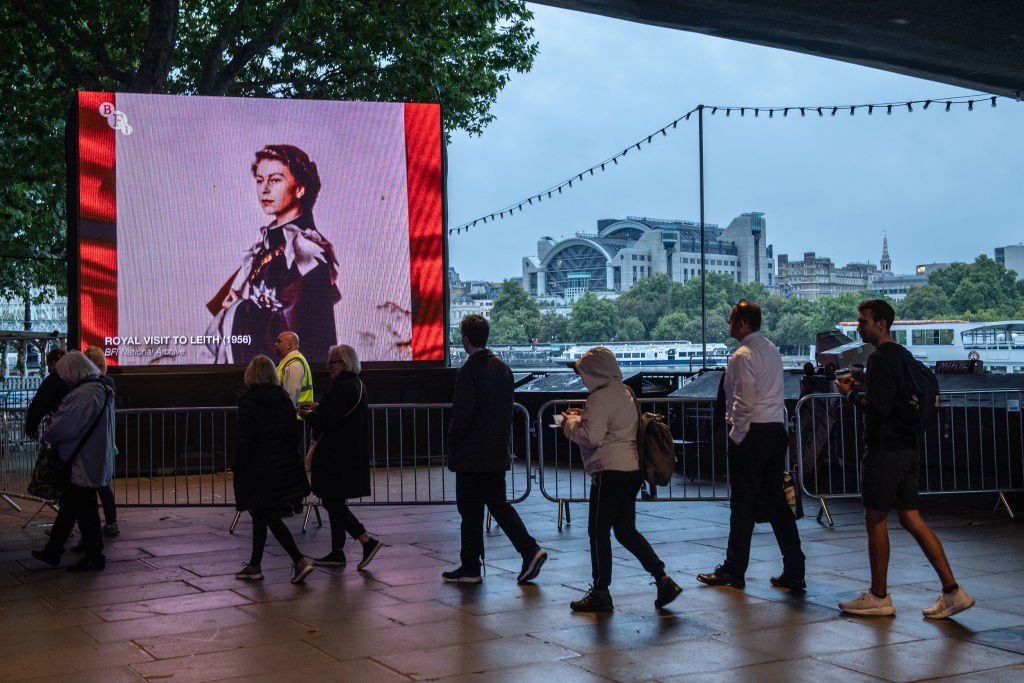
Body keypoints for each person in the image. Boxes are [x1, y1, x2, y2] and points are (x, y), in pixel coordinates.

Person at [835, 299, 974, 618]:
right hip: (907, 448)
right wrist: (863, 386)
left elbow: (878, 408)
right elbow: (894, 398)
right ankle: (952, 591)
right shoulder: (904, 357)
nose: (859, 327)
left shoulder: (880, 359)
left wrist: (850, 394)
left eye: (864, 321)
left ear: (881, 324)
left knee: (875, 518)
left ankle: (879, 596)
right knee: (912, 518)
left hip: (884, 451)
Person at [561, 346, 682, 612]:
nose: (582, 378)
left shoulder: (599, 398)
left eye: (584, 372)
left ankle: (601, 590)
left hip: (608, 470)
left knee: (597, 531)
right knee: (626, 530)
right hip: (630, 469)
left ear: (594, 372)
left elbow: (591, 437)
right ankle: (662, 578)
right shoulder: (625, 392)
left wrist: (568, 424)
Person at [697, 300, 805, 592]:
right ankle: (795, 568)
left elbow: (742, 401)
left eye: (732, 319)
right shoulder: (771, 350)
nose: (729, 324)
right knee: (778, 503)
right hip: (773, 430)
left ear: (742, 323)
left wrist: (735, 436)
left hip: (752, 434)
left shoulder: (742, 356)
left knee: (742, 504)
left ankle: (734, 568)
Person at [206, 144, 340, 365]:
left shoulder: (305, 250)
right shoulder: (265, 246)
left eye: (275, 180)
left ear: (300, 189)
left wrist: (238, 309)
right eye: (260, 180)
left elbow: (298, 334)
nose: (265, 189)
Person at [442, 315, 547, 585]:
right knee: (498, 505)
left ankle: (471, 567)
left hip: (471, 456)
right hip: (497, 452)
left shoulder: (468, 372)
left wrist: (451, 440)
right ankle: (528, 550)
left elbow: (463, 415)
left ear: (465, 340)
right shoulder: (502, 369)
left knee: (470, 511)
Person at [30, 351, 115, 571]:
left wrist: (50, 424)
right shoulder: (102, 389)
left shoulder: (82, 395)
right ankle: (54, 551)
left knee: (83, 511)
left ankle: (94, 557)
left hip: (80, 463)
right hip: (91, 459)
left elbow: (60, 428)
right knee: (72, 507)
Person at [300, 344, 383, 570]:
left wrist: (308, 415)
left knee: (332, 501)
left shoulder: (343, 387)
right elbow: (337, 413)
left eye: (333, 362)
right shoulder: (356, 385)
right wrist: (320, 408)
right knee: (334, 501)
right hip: (347, 455)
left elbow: (327, 421)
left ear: (345, 363)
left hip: (336, 457)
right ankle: (337, 552)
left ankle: (367, 540)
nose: (328, 366)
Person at [232, 355, 314, 584]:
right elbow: (291, 435)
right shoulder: (284, 400)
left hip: (257, 469)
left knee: (267, 514)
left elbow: (244, 440)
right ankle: (254, 565)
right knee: (260, 514)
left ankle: (299, 560)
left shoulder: (249, 402)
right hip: (280, 467)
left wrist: (237, 465)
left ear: (251, 375)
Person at [83, 346, 119, 537]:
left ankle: (90, 527)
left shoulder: (90, 386)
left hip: (90, 440)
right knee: (103, 484)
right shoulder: (109, 382)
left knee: (89, 485)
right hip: (106, 438)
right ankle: (111, 521)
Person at [24, 347, 69, 440]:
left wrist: (31, 429)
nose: (48, 370)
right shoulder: (74, 379)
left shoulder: (52, 381)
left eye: (49, 366)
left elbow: (39, 405)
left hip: (59, 428)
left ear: (54, 363)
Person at [273, 331, 314, 408]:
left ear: (289, 346)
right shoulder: (288, 362)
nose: (275, 344)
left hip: (295, 417)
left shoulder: (294, 365)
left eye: (279, 342)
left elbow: (291, 396)